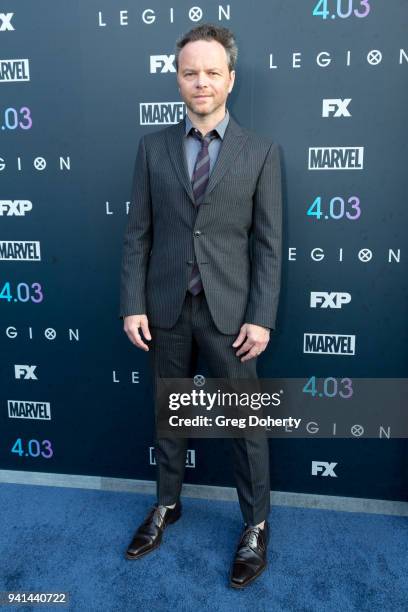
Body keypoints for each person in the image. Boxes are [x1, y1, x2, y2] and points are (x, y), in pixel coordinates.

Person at [119, 23, 282, 589]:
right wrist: (132, 304)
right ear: (178, 78)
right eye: (191, 72)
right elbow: (138, 233)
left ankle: (256, 525)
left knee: (245, 427)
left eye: (213, 72)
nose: (201, 82)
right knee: (170, 418)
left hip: (233, 316)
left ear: (231, 79)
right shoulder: (152, 147)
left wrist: (260, 315)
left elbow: (267, 243)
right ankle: (167, 504)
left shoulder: (261, 152)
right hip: (165, 309)